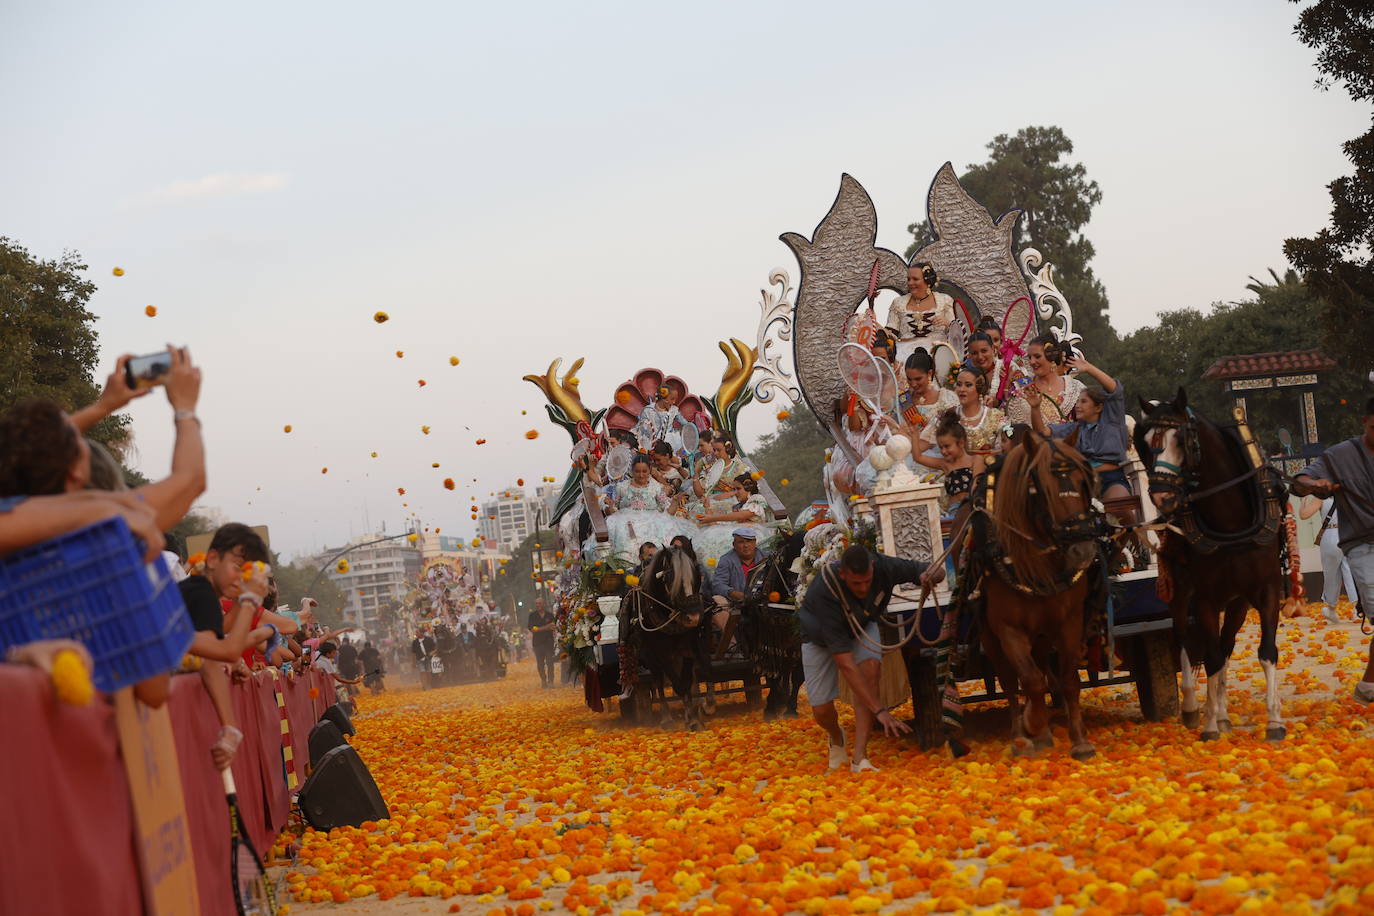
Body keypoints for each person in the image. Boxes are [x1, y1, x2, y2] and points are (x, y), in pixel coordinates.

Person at [800, 544, 943, 772]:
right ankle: (836, 736)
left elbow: (934, 569)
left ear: (873, 568)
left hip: (863, 627)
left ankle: (860, 757)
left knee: (871, 673)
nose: (863, 588)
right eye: (856, 583)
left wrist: (931, 575)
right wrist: (880, 710)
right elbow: (845, 664)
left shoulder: (885, 566)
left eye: (867, 581)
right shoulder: (824, 589)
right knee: (821, 708)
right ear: (842, 573)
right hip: (819, 637)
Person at [177, 523, 278, 770]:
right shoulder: (200, 593)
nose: (242, 578)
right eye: (237, 567)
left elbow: (214, 648)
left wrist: (230, 729)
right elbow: (226, 650)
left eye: (249, 572)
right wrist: (250, 600)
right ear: (212, 559)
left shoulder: (201, 592)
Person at [1293, 396, 1374, 703]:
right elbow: (1298, 481)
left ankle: (1368, 684)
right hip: (1363, 544)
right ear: (1364, 422)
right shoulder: (1340, 455)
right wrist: (1314, 486)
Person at [1023, 355, 1130, 501]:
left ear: (1098, 407)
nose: (1077, 406)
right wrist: (1035, 408)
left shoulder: (1112, 420)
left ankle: (1130, 525)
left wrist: (1088, 368)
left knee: (1118, 503)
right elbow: (1042, 432)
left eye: (1084, 402)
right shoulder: (1074, 428)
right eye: (1077, 401)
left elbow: (1115, 390)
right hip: (1081, 480)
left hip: (1112, 480)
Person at [885, 261, 958, 367]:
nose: (910, 283)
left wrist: (947, 323)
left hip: (938, 354)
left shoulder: (945, 300)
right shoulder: (898, 303)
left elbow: (957, 333)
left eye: (915, 279)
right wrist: (874, 323)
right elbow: (891, 334)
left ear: (927, 280)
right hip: (904, 356)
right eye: (908, 279)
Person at [1005, 334, 1087, 428]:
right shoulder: (1022, 385)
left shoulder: (1075, 388)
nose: (1032, 362)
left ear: (1052, 357)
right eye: (1030, 357)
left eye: (1037, 356)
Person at [921, 367, 1004, 455]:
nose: (962, 389)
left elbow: (1004, 452)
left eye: (968, 385)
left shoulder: (995, 417)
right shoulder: (947, 415)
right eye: (959, 384)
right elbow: (923, 445)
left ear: (980, 388)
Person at [1300, 495, 1357, 623]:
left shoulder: (1320, 497)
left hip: (1330, 535)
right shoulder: (1347, 493)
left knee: (1331, 574)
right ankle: (1357, 608)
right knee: (1350, 571)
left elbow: (1304, 515)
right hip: (1348, 534)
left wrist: (1302, 503)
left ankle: (1331, 608)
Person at [711, 529, 768, 651]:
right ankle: (733, 645)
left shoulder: (766, 558)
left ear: (755, 542)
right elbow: (718, 584)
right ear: (734, 545)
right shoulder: (726, 560)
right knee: (716, 600)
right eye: (741, 542)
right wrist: (734, 593)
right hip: (736, 604)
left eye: (749, 541)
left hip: (762, 603)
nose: (746, 545)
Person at [898, 348, 959, 458]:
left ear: (929, 373)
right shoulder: (903, 399)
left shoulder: (946, 399)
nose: (913, 384)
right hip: (905, 452)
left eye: (918, 379)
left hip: (939, 456)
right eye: (909, 379)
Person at [528, 598, 557, 688]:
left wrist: (540, 628)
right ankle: (543, 680)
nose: (538, 605)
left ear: (544, 604)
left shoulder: (550, 615)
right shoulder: (532, 616)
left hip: (548, 642)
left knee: (550, 662)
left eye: (540, 603)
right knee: (540, 664)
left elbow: (553, 626)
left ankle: (551, 681)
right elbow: (532, 629)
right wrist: (546, 627)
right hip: (537, 643)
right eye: (536, 603)